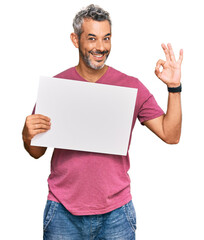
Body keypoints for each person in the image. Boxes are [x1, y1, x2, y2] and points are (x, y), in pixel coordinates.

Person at [22, 4, 183, 240]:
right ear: (75, 40)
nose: (100, 47)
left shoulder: (131, 86)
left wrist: (174, 87)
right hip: (62, 211)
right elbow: (36, 151)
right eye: (92, 38)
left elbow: (171, 135)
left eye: (106, 38)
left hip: (117, 213)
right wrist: (27, 137)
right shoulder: (56, 87)